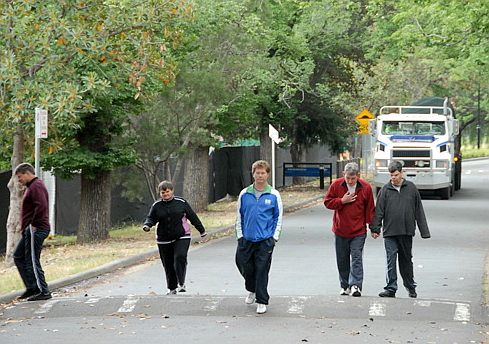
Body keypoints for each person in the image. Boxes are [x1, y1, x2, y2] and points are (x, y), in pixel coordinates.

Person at [370, 160, 431, 298]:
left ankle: (410, 286)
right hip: (390, 232)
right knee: (390, 259)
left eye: (396, 175)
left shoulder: (411, 188)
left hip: (406, 231)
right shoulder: (385, 190)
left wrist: (424, 231)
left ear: (402, 173)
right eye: (391, 175)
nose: (393, 178)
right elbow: (379, 211)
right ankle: (391, 288)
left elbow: (418, 210)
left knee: (406, 260)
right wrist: (375, 228)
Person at [235, 160, 283, 314]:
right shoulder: (244, 193)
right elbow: (239, 216)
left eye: (263, 173)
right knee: (244, 264)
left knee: (262, 269)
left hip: (265, 240)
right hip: (246, 239)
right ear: (253, 173)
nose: (260, 175)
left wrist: (273, 237)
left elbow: (278, 217)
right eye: (257, 172)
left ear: (267, 174)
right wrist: (240, 236)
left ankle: (261, 300)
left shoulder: (274, 194)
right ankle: (252, 289)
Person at [143, 180, 207, 295]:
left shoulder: (181, 202)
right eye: (163, 193)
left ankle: (181, 283)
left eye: (167, 192)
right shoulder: (157, 206)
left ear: (172, 191)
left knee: (179, 257)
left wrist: (201, 230)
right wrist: (147, 225)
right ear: (160, 193)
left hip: (182, 235)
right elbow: (151, 218)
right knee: (168, 263)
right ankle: (171, 287)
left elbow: (192, 216)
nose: (165, 194)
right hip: (163, 238)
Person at [324, 162, 375, 297]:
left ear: (358, 176)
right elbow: (327, 202)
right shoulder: (336, 185)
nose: (351, 181)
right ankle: (345, 285)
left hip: (358, 231)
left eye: (353, 178)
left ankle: (356, 286)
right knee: (342, 259)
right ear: (343, 175)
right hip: (340, 229)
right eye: (348, 178)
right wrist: (342, 201)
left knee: (356, 258)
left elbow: (370, 209)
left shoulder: (366, 187)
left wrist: (373, 227)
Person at [13, 163, 52, 301]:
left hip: (36, 229)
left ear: (27, 173)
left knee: (32, 260)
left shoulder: (36, 186)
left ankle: (43, 291)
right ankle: (32, 288)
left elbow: (41, 206)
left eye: (19, 177)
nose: (19, 180)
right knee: (18, 256)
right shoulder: (32, 187)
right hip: (30, 229)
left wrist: (33, 224)